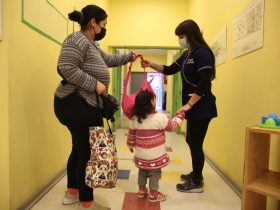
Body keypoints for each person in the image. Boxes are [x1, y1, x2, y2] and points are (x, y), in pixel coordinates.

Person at [54, 5, 136, 210]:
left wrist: (128, 56)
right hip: (75, 103)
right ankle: (87, 203)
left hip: (81, 103)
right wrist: (95, 84)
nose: (104, 27)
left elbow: (108, 60)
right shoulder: (77, 39)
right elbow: (65, 67)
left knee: (80, 148)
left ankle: (72, 193)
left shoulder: (91, 44)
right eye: (104, 24)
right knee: (88, 153)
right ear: (93, 22)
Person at [141, 19, 217, 193]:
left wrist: (189, 105)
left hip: (202, 105)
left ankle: (197, 182)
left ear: (191, 35)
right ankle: (196, 173)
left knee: (195, 143)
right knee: (191, 140)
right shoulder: (187, 53)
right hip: (193, 105)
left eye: (182, 36)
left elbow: (205, 82)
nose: (180, 40)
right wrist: (150, 64)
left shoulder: (203, 53)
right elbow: (168, 69)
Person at [127, 90, 185, 202]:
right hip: (155, 155)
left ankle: (141, 190)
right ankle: (153, 194)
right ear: (151, 102)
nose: (155, 100)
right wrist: (179, 116)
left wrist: (130, 146)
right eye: (154, 98)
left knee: (142, 172)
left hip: (141, 155)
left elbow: (131, 136)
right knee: (155, 173)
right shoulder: (160, 117)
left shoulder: (135, 118)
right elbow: (172, 127)